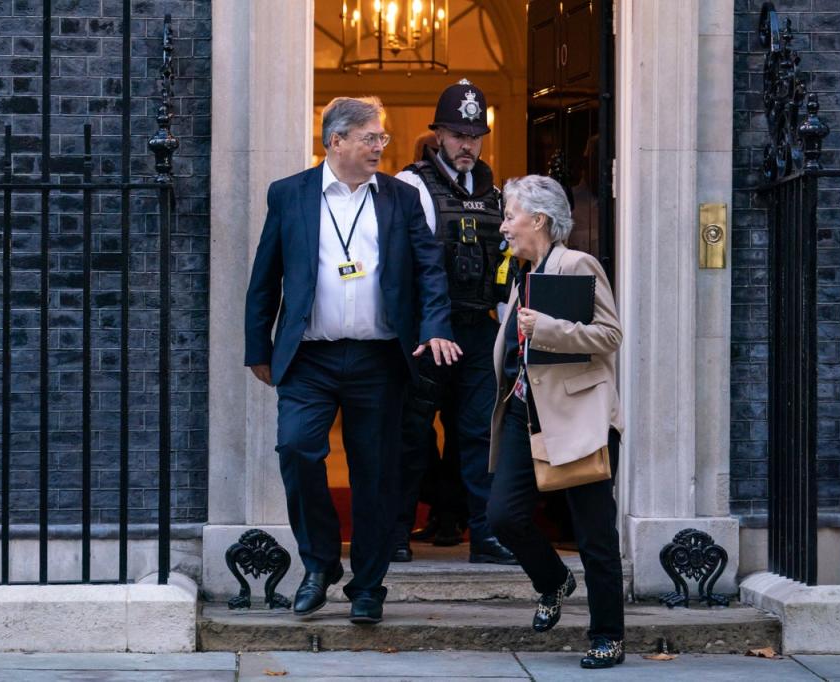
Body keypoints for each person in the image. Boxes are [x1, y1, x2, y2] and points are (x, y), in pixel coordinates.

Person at [244, 96, 462, 625]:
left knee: (377, 475)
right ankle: (319, 564)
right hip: (309, 358)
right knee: (296, 449)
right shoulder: (289, 194)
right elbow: (266, 274)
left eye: (383, 138)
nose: (380, 147)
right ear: (335, 140)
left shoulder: (399, 197)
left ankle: (368, 584)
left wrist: (435, 325)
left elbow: (429, 269)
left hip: (378, 358)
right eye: (371, 138)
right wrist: (259, 346)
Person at [486, 175, 625, 669]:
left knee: (594, 535)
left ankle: (607, 634)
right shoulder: (523, 272)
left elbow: (609, 335)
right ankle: (553, 581)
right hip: (529, 413)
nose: (504, 226)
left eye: (510, 216)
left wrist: (545, 328)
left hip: (578, 417)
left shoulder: (576, 264)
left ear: (538, 220)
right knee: (503, 515)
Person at [392, 80, 516, 565]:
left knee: (481, 434)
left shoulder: (498, 195)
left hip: (478, 330)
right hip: (427, 332)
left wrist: (509, 333)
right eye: (458, 134)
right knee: (413, 434)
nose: (467, 144)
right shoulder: (409, 186)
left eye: (475, 135)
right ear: (438, 134)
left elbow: (506, 270)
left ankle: (485, 536)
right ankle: (397, 533)